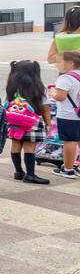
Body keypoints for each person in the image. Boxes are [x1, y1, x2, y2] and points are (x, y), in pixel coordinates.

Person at [6, 60, 52, 184]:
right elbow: (45, 108)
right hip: (32, 122)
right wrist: (48, 124)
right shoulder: (39, 88)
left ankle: (18, 172)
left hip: (15, 121)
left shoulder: (11, 87)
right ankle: (30, 175)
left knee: (16, 145)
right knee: (29, 147)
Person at [50, 51, 80, 179]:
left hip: (68, 115)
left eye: (59, 62)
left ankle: (68, 169)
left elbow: (61, 97)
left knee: (70, 141)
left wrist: (52, 93)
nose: (57, 65)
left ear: (71, 63)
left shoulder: (65, 78)